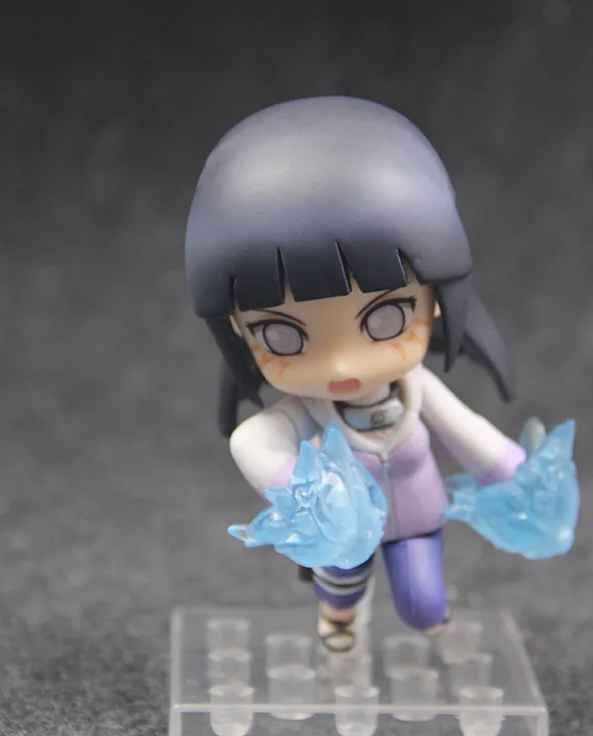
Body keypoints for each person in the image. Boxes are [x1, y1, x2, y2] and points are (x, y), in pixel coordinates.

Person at [185, 96, 525, 651]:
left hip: (417, 517)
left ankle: (404, 614)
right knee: (341, 587)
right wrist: (304, 495)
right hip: (344, 536)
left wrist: (514, 473)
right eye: (283, 335)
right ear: (239, 331)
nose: (342, 364)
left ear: (435, 299)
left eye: (385, 318)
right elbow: (253, 440)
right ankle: (338, 617)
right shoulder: (308, 410)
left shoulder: (418, 390)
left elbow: (467, 430)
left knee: (424, 603)